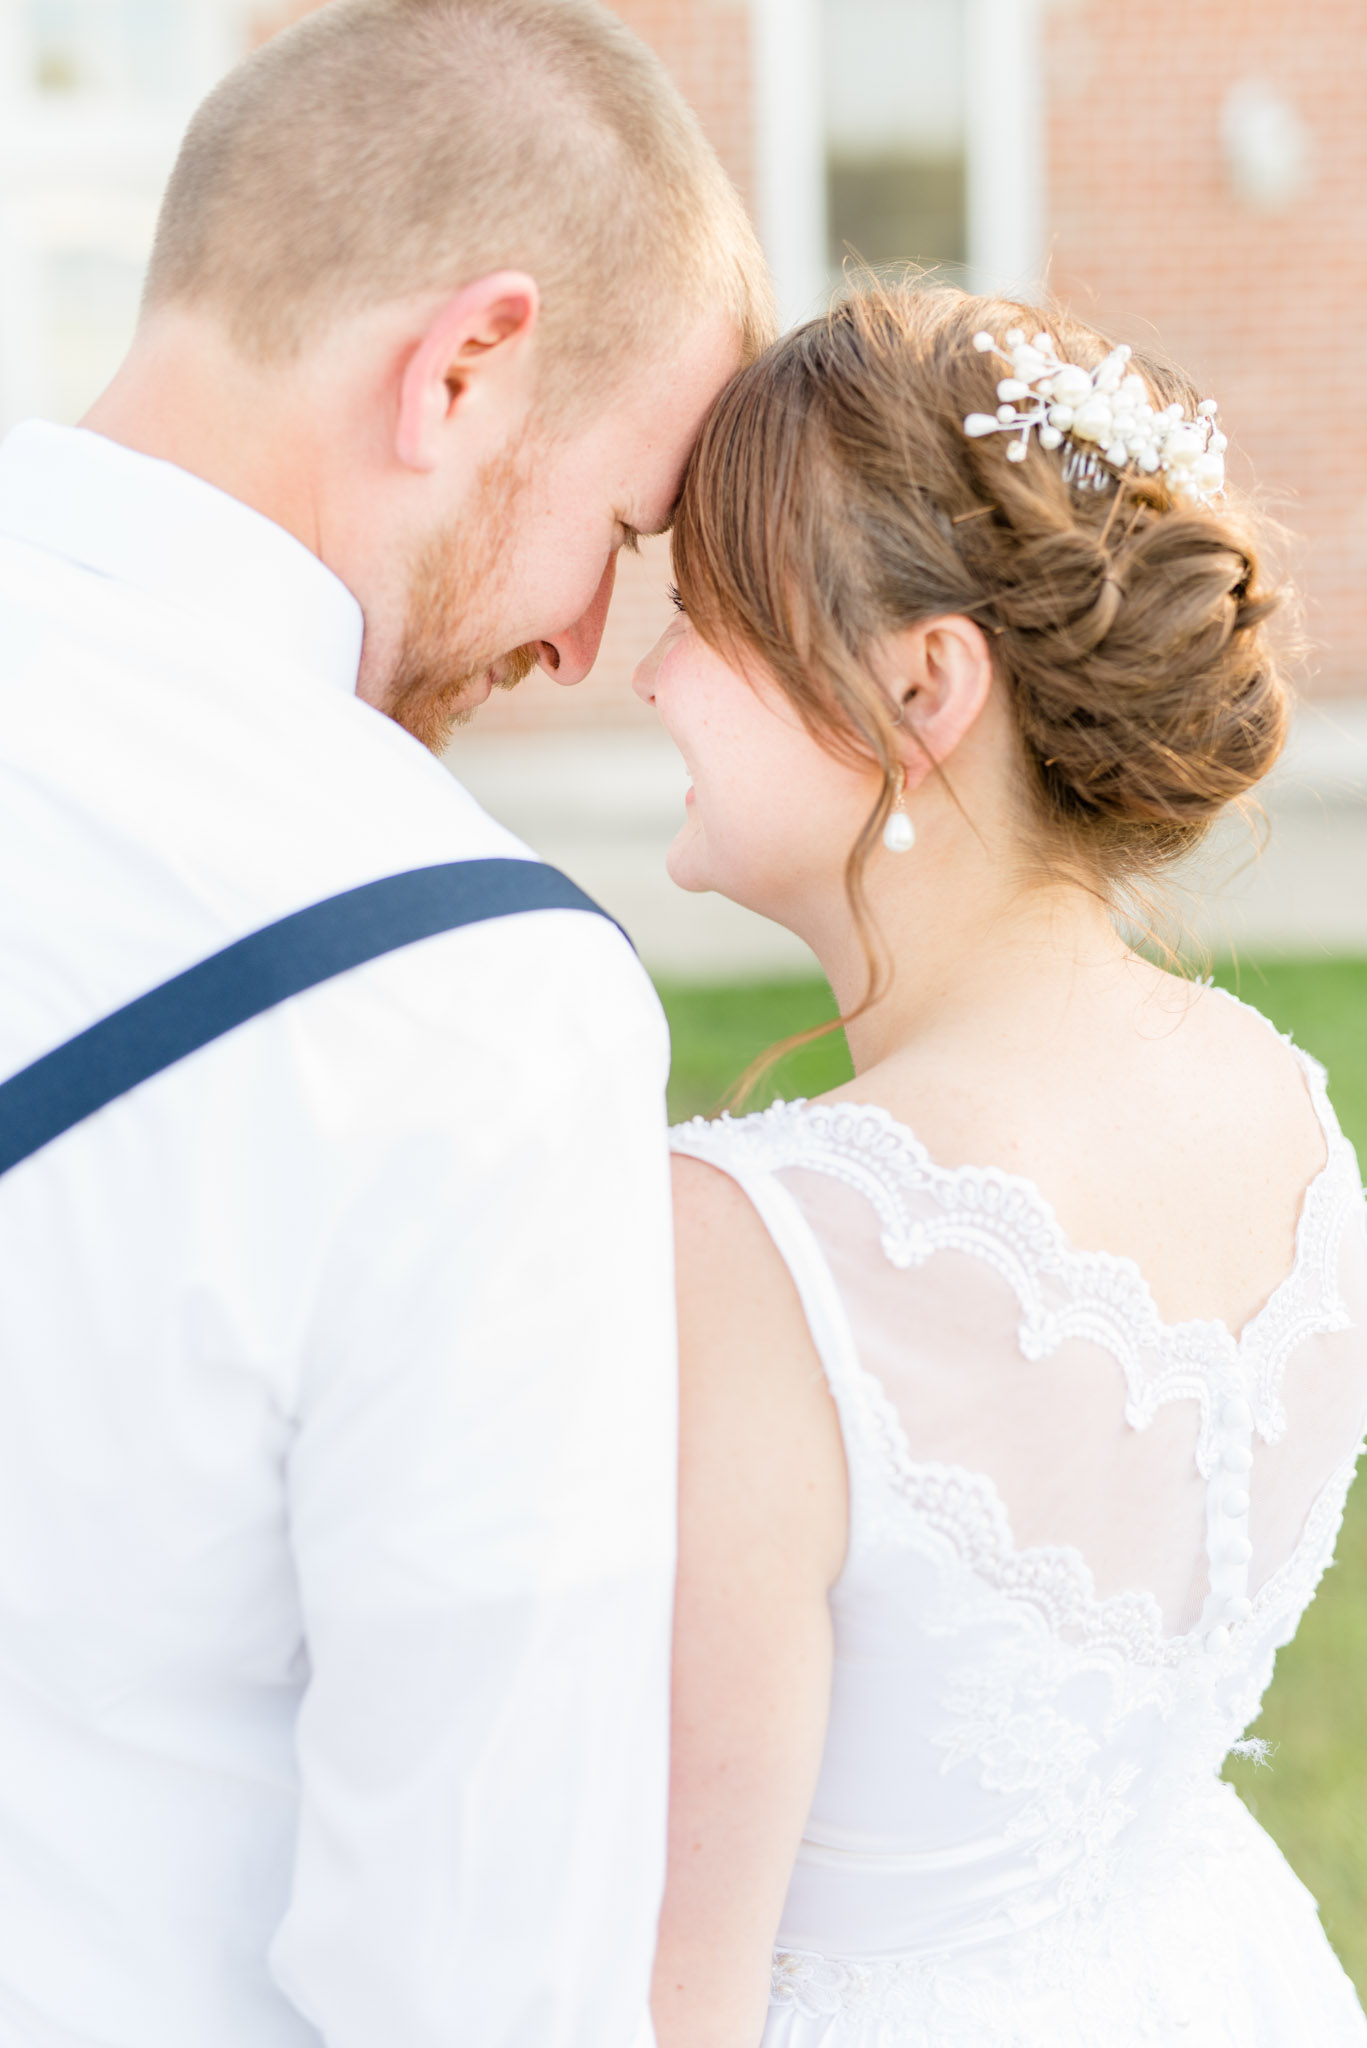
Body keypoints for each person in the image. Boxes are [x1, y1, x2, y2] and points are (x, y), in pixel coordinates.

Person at [0, 2, 771, 2043]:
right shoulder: (474, 1000)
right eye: (617, 530)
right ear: (461, 366)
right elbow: (478, 1966)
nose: (587, 641)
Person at [640, 283, 1367, 2046]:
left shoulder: (757, 1249)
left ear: (921, 684)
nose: (651, 673)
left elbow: (674, 1991)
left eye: (703, 618)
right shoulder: (1284, 1113)